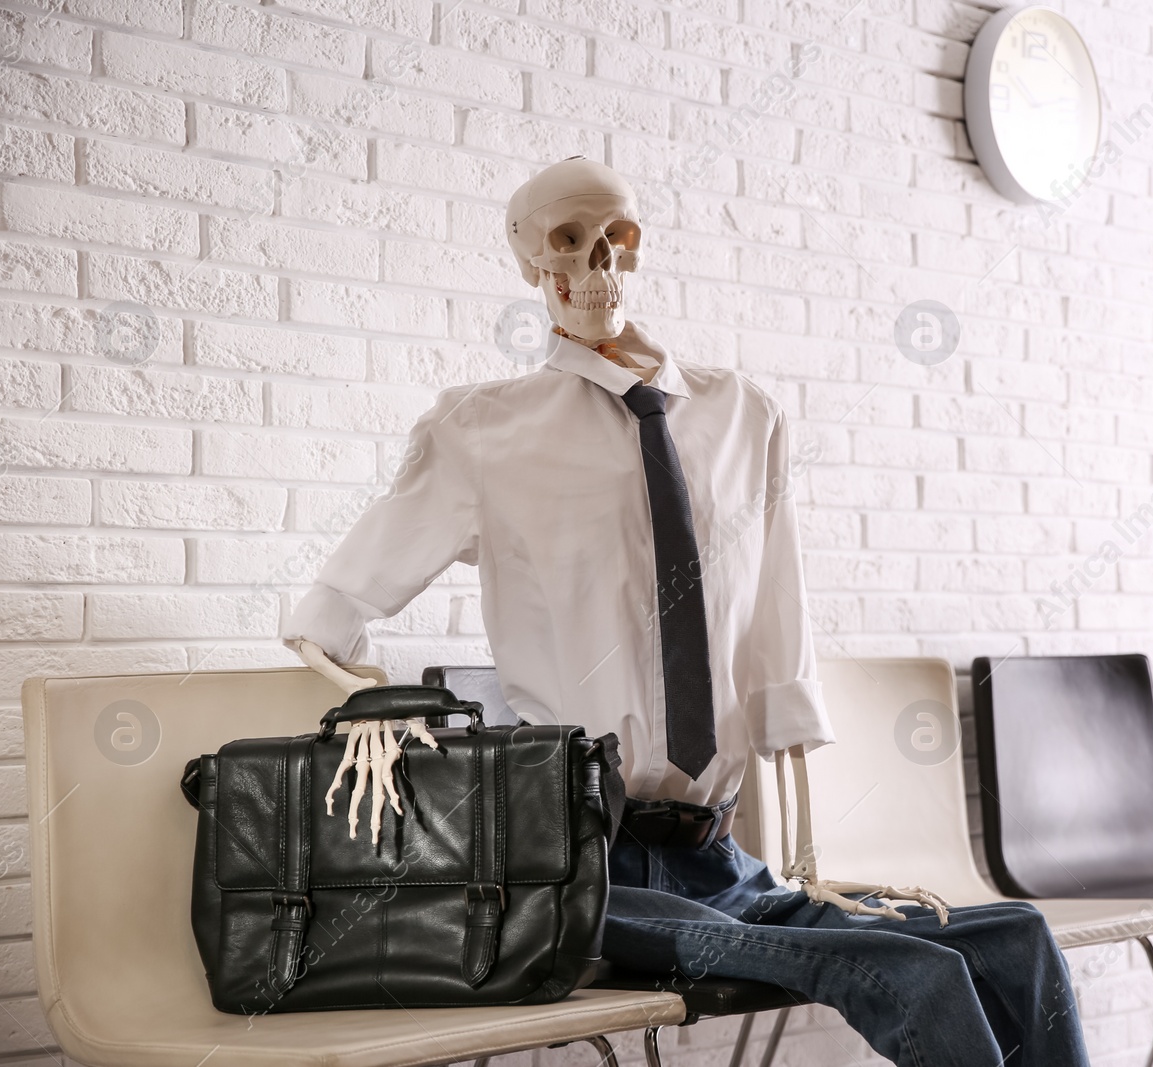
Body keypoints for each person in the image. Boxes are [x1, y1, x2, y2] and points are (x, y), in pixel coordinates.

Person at [285, 157, 1089, 1066]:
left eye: (615, 238)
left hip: (725, 857)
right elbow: (328, 616)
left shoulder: (744, 416)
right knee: (916, 974)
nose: (599, 266)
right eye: (568, 241)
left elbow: (777, 627)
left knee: (1019, 937)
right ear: (529, 268)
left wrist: (797, 843)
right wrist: (381, 713)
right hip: (583, 870)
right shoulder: (479, 431)